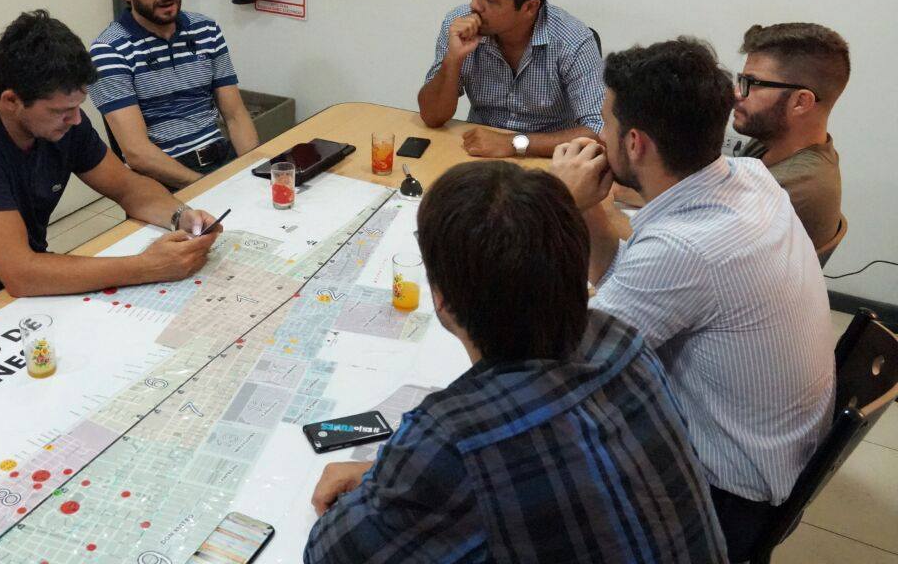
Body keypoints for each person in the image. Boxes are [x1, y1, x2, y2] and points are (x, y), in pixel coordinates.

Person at [304, 162, 728, 563]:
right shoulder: (620, 340)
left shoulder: (454, 436)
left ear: (441, 298)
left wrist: (387, 481)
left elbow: (332, 553)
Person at [549, 38, 834, 562]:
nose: (598, 136)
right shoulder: (749, 177)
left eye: (605, 124)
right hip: (775, 456)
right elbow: (627, 284)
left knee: (522, 472)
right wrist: (589, 208)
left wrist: (558, 204)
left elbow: (559, 366)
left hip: (726, 497)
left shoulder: (685, 250)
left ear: (635, 143)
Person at [0, 9, 223, 330]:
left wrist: (181, 216)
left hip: (15, 282)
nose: (76, 119)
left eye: (78, 106)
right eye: (60, 111)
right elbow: (22, 274)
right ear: (11, 101)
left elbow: (128, 187)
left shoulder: (63, 122)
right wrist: (146, 267)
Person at [88, 0, 259, 189]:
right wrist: (204, 187)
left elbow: (236, 115)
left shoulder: (206, 29)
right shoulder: (109, 51)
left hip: (221, 159)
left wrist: (252, 172)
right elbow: (137, 153)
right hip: (164, 180)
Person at [417, 0, 604, 158]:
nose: (475, 4)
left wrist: (514, 143)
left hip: (546, 161)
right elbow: (432, 116)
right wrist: (453, 59)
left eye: (490, 0)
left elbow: (599, 131)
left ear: (530, 7)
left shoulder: (573, 41)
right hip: (478, 154)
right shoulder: (458, 24)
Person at [733, 22, 848, 252]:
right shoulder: (773, 142)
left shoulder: (789, 190)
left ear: (801, 102)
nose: (737, 93)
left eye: (751, 83)